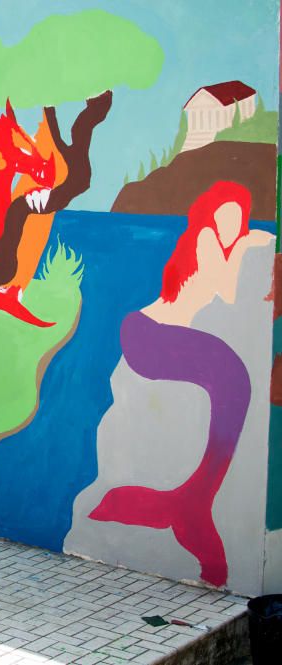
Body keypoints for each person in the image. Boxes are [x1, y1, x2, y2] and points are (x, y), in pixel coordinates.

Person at [88, 181, 273, 587]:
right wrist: (248, 245)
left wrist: (244, 243)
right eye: (226, 218)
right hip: (148, 336)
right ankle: (194, 501)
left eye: (238, 220)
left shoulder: (220, 241)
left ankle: (194, 498)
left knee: (234, 381)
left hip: (158, 337)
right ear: (209, 217)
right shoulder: (206, 240)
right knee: (233, 376)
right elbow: (226, 291)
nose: (232, 227)